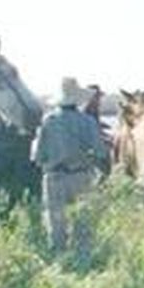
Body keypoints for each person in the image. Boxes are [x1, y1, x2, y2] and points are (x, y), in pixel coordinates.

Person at [31, 77, 109, 254]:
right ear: (78, 99)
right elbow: (101, 152)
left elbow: (37, 156)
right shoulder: (88, 122)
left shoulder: (48, 121)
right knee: (83, 223)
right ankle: (83, 262)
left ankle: (60, 262)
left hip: (55, 177)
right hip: (81, 176)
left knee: (56, 223)